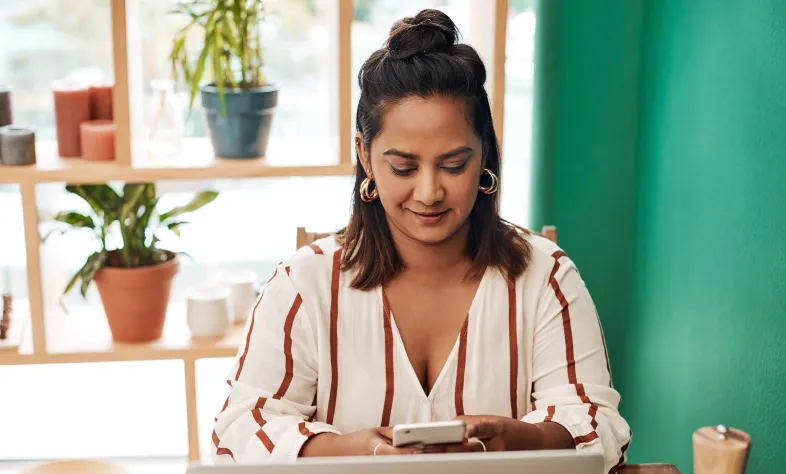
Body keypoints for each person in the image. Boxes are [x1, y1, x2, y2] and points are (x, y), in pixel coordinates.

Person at [211, 9, 631, 473]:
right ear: (364, 155)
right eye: (403, 167)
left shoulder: (544, 276)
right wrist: (356, 451)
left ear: (485, 154)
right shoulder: (303, 284)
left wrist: (519, 439)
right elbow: (240, 431)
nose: (429, 193)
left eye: (453, 165)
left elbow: (599, 426)